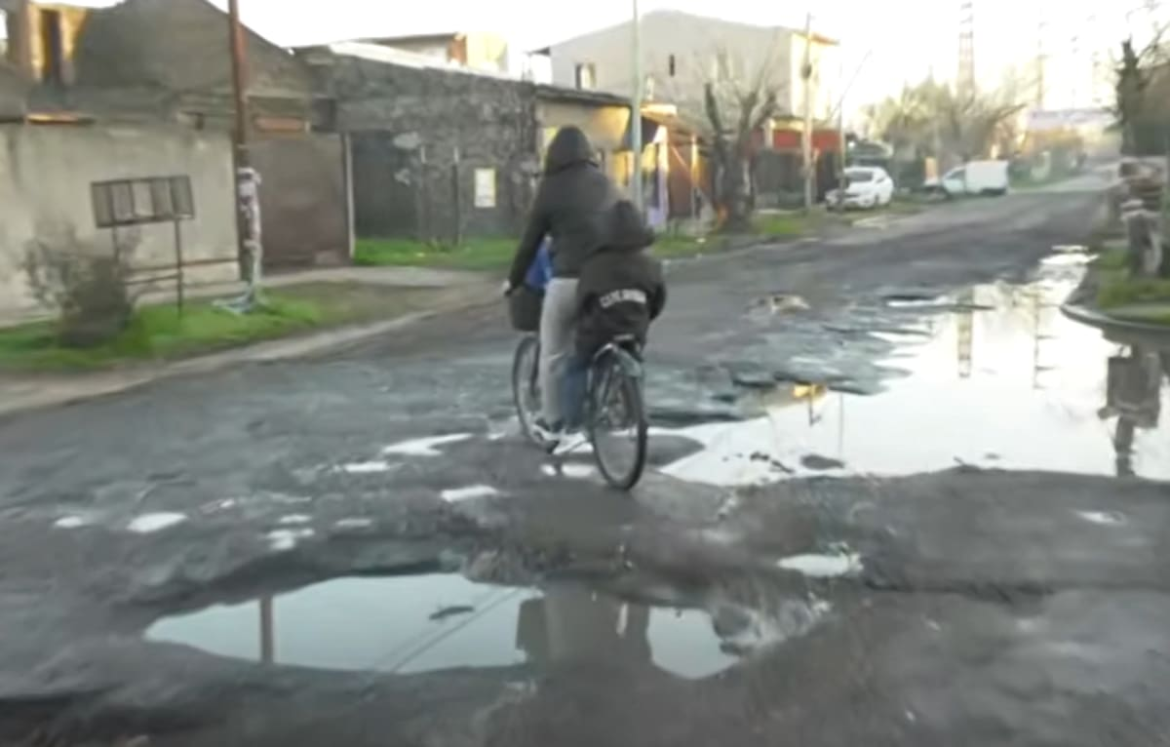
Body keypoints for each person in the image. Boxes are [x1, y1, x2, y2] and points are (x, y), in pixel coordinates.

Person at [507, 126, 619, 440]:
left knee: (553, 352)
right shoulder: (605, 182)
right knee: (603, 339)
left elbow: (530, 243)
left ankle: (553, 423)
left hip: (570, 279)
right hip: (611, 278)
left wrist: (513, 280)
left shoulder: (551, 187)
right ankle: (614, 397)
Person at [558, 199, 667, 441]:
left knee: (577, 367)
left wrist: (583, 322)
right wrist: (644, 317)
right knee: (635, 361)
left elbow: (583, 300)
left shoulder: (595, 264)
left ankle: (573, 424)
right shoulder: (649, 264)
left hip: (600, 330)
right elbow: (659, 299)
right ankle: (633, 410)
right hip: (634, 327)